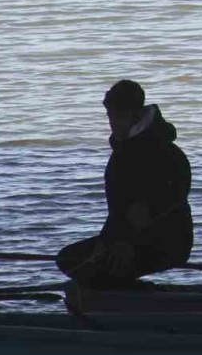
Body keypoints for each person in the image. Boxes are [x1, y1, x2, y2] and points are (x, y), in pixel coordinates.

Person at [57, 79, 194, 286]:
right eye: (110, 116)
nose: (113, 123)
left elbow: (157, 209)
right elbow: (119, 211)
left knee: (84, 266)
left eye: (119, 116)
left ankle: (131, 299)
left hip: (167, 242)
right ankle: (127, 292)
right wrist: (107, 241)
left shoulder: (166, 154)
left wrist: (124, 243)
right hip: (128, 239)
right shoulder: (122, 153)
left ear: (136, 114)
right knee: (69, 260)